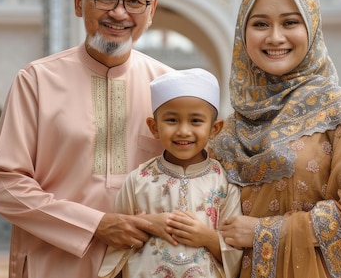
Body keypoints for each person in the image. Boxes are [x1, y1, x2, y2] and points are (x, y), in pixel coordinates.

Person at [0, 0, 175, 278]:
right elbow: (3, 184)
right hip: (54, 265)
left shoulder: (169, 89)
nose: (119, 13)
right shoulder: (37, 80)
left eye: (134, 1)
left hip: (145, 266)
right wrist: (95, 224)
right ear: (78, 2)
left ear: (152, 10)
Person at [209, 0, 341, 278]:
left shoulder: (340, 113)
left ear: (312, 29)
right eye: (260, 24)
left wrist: (262, 231)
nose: (274, 37)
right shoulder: (229, 129)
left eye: (290, 22)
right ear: (242, 34)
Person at [98, 68, 242, 278]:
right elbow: (118, 241)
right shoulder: (138, 180)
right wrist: (149, 226)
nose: (183, 130)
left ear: (215, 128)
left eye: (195, 121)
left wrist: (207, 237)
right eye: (172, 120)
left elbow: (237, 251)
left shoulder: (225, 182)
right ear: (154, 127)